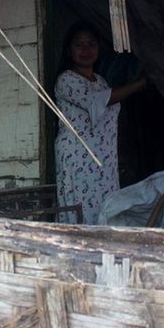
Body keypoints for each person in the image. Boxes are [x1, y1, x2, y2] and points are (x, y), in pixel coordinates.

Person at [54, 22, 147, 224]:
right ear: (69, 51)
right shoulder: (66, 80)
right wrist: (140, 84)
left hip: (102, 158)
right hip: (78, 156)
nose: (86, 50)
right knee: (80, 208)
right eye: (79, 45)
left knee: (105, 208)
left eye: (91, 44)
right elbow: (99, 100)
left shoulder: (100, 81)